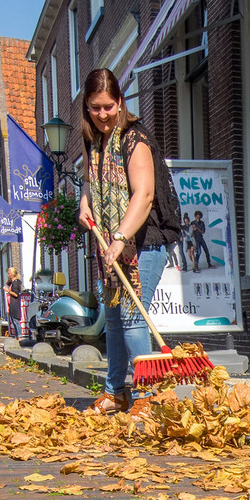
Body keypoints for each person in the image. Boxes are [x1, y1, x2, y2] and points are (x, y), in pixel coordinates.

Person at [77, 68, 176, 414]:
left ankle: (148, 397)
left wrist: (120, 236)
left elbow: (144, 195)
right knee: (114, 316)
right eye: (95, 107)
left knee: (133, 317)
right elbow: (93, 181)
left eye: (108, 106)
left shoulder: (134, 138)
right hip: (112, 245)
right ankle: (115, 391)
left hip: (144, 243)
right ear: (87, 108)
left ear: (120, 102)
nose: (102, 114)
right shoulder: (95, 142)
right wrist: (85, 201)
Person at [5, 267, 23, 338]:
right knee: (13, 321)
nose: (7, 275)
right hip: (12, 304)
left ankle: (19, 336)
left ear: (12, 274)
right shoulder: (13, 283)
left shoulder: (15, 283)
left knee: (15, 321)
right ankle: (17, 336)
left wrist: (8, 291)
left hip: (14, 304)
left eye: (9, 273)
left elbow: (16, 294)